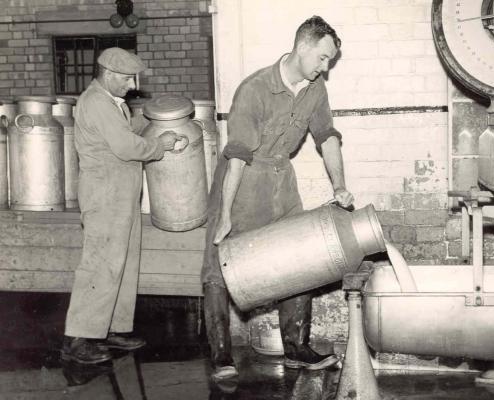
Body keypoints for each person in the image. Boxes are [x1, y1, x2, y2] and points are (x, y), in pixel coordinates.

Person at [203, 16, 354, 381]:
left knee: (298, 256)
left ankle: (297, 349)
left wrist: (339, 186)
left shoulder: (316, 90)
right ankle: (222, 354)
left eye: (330, 61)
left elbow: (327, 137)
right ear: (302, 47)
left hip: (281, 179)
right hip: (242, 178)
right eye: (322, 58)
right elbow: (237, 154)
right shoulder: (254, 89)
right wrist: (225, 216)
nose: (325, 67)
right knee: (220, 265)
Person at [61, 47, 180, 364]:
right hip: (104, 196)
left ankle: (111, 329)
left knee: (124, 264)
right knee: (100, 265)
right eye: (127, 78)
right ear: (109, 74)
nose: (131, 85)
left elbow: (121, 136)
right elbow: (126, 147)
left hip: (122, 194)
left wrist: (146, 121)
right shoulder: (97, 102)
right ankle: (79, 339)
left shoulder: (113, 103)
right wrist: (160, 145)